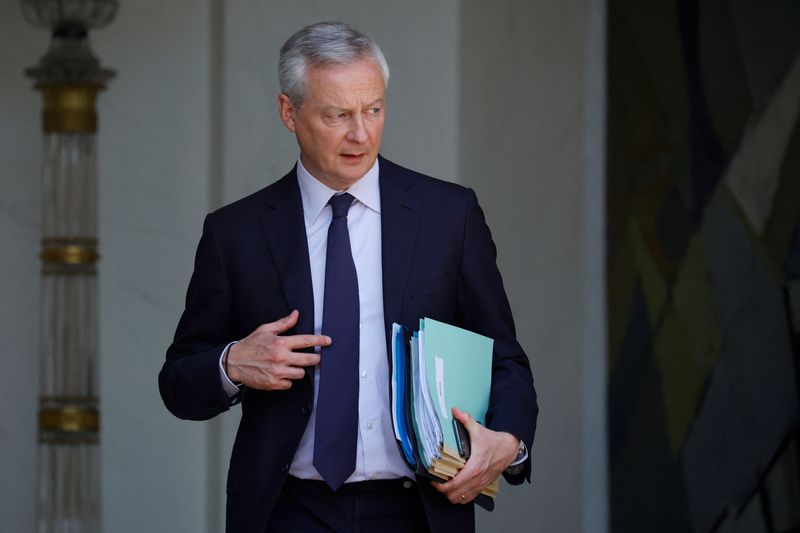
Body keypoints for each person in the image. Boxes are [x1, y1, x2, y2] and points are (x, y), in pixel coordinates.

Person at [159, 21, 537, 533]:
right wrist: (232, 364)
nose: (361, 133)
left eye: (374, 110)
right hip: (285, 511)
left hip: (420, 510)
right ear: (288, 113)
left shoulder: (449, 216)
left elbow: (506, 361)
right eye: (338, 114)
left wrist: (509, 442)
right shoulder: (237, 233)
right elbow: (178, 382)